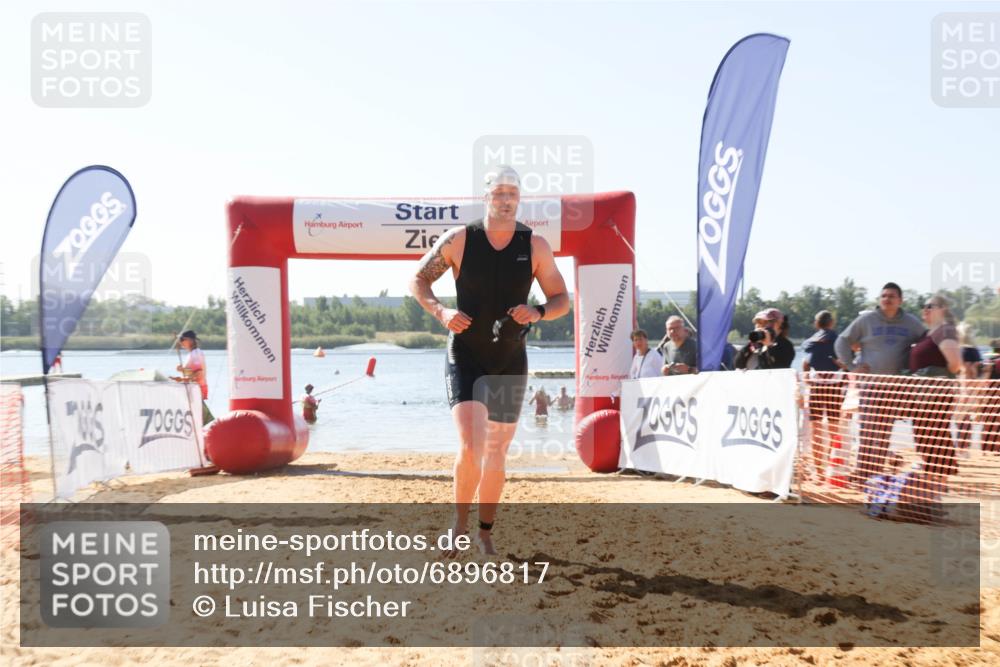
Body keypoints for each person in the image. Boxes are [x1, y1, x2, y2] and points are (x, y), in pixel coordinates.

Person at [408, 165, 569, 556]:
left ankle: (484, 531)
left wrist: (539, 312)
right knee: (472, 444)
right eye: (498, 192)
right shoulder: (460, 240)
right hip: (466, 354)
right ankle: (459, 525)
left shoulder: (535, 246)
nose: (505, 199)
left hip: (510, 358)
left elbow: (562, 300)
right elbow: (418, 280)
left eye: (512, 193)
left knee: (497, 453)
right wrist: (441, 312)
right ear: (486, 197)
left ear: (519, 198)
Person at [834, 282, 925, 486]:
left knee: (884, 432)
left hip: (896, 387)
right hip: (871, 386)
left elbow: (926, 342)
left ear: (900, 300)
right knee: (867, 430)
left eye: (892, 296)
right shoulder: (866, 320)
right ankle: (862, 472)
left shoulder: (911, 323)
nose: (887, 299)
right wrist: (851, 366)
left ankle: (874, 474)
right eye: (883, 296)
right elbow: (841, 341)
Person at [906, 294, 963, 484]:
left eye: (930, 306)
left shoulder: (945, 330)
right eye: (924, 306)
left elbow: (955, 364)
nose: (925, 310)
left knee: (935, 439)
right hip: (923, 396)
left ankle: (937, 487)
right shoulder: (928, 333)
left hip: (934, 396)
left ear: (943, 309)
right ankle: (932, 484)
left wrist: (931, 376)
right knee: (925, 438)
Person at [802, 310, 845, 483]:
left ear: (816, 323)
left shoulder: (812, 341)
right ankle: (830, 467)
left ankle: (819, 471)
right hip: (834, 384)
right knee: (834, 429)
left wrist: (806, 378)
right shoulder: (838, 339)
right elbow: (844, 361)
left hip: (817, 384)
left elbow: (806, 362)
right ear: (832, 323)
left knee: (816, 430)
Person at [955, 322, 983, 451]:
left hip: (963, 386)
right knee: (967, 417)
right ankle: (964, 446)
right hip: (974, 385)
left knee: (960, 418)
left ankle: (962, 446)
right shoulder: (975, 351)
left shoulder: (961, 350)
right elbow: (976, 371)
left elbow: (965, 370)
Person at [174, 330, 208, 400]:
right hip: (194, 389)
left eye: (182, 339)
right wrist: (182, 370)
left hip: (198, 389)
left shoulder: (196, 353)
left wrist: (182, 379)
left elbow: (199, 373)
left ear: (190, 340)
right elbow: (193, 372)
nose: (180, 342)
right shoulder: (192, 354)